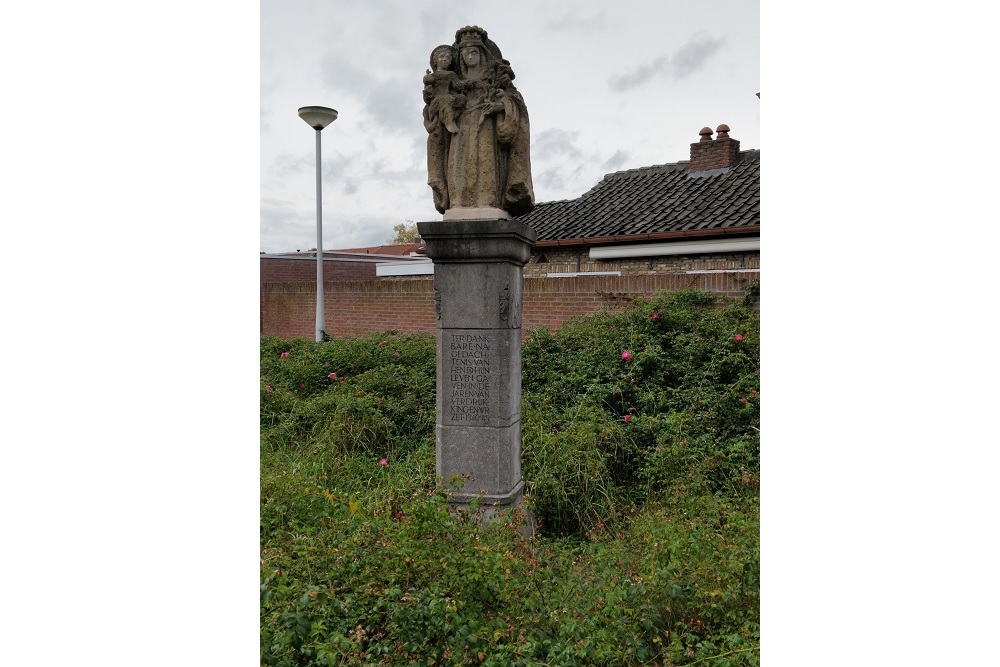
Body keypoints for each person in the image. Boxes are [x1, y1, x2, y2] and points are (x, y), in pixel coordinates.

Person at [424, 26, 534, 217]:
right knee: (458, 165)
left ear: (482, 54)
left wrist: (499, 107)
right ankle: (458, 204)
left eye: (474, 52)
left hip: (486, 127)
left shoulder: (494, 79)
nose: (470, 57)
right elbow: (437, 106)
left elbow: (515, 103)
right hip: (460, 129)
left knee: (485, 161)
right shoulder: (454, 81)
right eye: (466, 53)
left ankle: (488, 202)